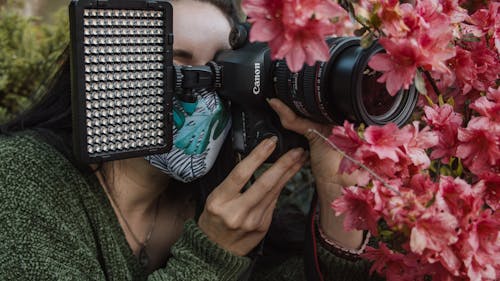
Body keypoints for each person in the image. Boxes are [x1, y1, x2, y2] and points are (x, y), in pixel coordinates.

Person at [0, 0, 377, 280]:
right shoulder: (23, 176)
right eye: (178, 66)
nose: (201, 91)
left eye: (220, 69)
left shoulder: (220, 199)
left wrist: (335, 197)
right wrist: (211, 255)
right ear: (106, 66)